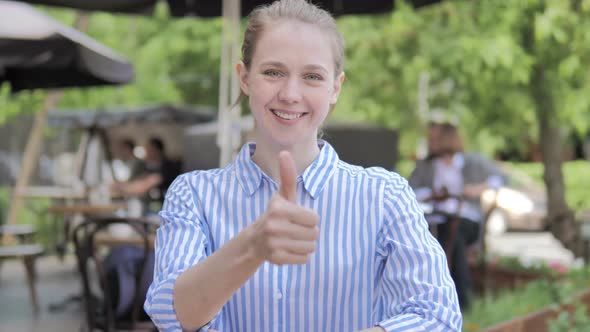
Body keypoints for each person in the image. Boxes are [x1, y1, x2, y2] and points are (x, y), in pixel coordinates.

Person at [144, 1, 461, 331]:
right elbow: (173, 315)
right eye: (273, 72)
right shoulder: (194, 194)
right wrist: (252, 246)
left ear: (335, 88)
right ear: (244, 78)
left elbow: (437, 314)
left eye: (312, 76)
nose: (290, 94)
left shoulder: (383, 196)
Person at [409, 122, 504, 309]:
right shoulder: (425, 166)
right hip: (435, 218)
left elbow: (499, 178)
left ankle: (461, 298)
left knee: (454, 232)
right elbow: (410, 189)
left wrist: (478, 188)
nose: (431, 142)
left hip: (466, 220)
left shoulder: (472, 161)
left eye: (435, 138)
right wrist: (431, 194)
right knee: (427, 234)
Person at [111, 137, 179, 213]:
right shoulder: (148, 166)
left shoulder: (167, 167)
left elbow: (142, 187)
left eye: (148, 149)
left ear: (155, 150)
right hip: (152, 208)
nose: (146, 152)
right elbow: (138, 182)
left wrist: (119, 187)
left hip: (164, 210)